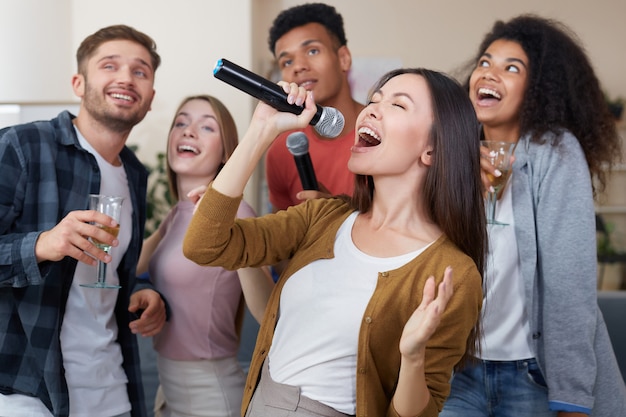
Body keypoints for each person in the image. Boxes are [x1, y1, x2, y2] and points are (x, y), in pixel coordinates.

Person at [183, 68, 487, 417]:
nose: (371, 110)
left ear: (432, 150)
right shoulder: (322, 217)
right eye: (374, 100)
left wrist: (413, 356)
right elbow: (205, 245)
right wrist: (262, 130)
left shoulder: (452, 274)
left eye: (397, 105)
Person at [440, 14, 626, 417]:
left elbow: (568, 284)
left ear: (539, 89)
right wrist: (455, 162)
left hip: (531, 375)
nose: (490, 74)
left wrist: (571, 397)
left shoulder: (555, 153)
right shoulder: (447, 152)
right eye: (485, 62)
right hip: (457, 371)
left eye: (512, 68)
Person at [0, 25, 167, 417]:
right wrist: (44, 245)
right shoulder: (21, 146)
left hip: (112, 389)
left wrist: (148, 295)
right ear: (79, 82)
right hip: (27, 392)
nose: (126, 77)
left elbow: (109, 280)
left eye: (140, 71)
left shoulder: (135, 174)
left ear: (150, 97)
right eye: (110, 66)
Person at [136, 95, 274, 417]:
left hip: (210, 394)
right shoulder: (175, 215)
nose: (188, 131)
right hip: (168, 392)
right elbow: (129, 265)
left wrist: (231, 235)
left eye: (206, 127)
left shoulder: (238, 213)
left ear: (227, 152)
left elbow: (267, 310)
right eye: (181, 123)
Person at [264, 2, 366, 211]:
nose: (299, 67)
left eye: (312, 51)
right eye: (287, 62)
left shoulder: (385, 135)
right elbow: (281, 236)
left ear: (343, 59)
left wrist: (339, 213)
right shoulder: (282, 150)